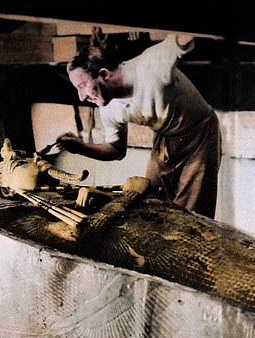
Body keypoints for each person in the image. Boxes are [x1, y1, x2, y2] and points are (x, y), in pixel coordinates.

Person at [56, 29, 221, 218]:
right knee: (148, 201)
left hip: (200, 133)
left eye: (82, 86)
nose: (82, 96)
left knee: (191, 215)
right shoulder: (108, 106)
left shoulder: (149, 65)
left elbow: (183, 36)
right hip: (164, 137)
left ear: (104, 74)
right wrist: (81, 147)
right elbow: (116, 150)